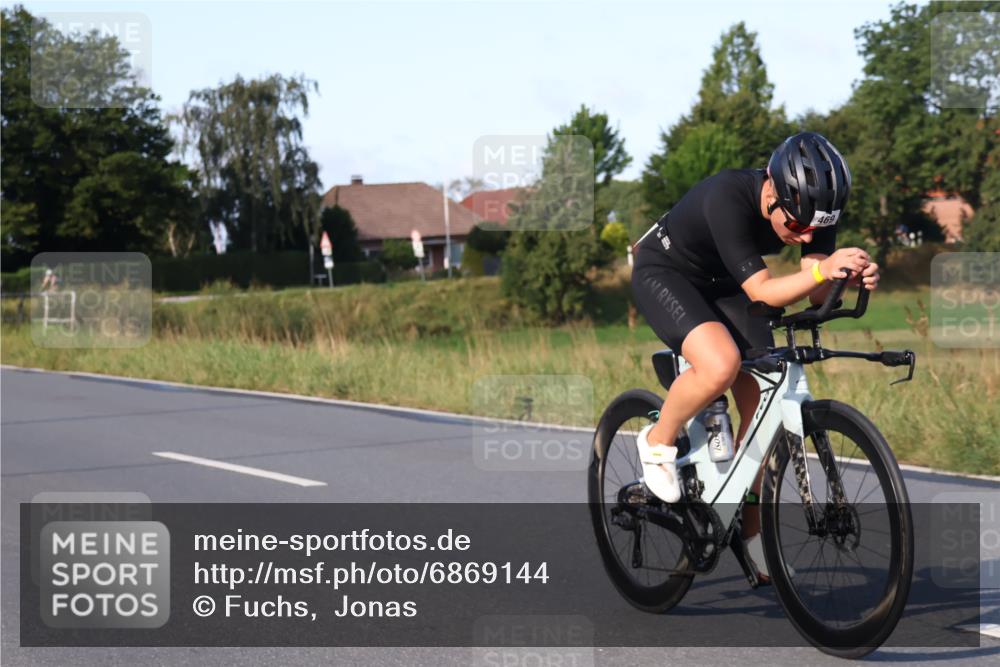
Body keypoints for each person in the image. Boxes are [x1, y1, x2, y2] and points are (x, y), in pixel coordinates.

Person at [630, 132, 879, 580]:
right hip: (666, 272)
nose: (805, 235)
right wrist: (825, 267)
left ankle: (748, 532)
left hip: (726, 282)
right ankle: (657, 443)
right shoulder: (727, 196)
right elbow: (764, 290)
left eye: (814, 229)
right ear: (771, 190)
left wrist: (850, 277)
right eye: (797, 225)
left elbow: (812, 280)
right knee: (720, 364)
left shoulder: (813, 210)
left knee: (761, 412)